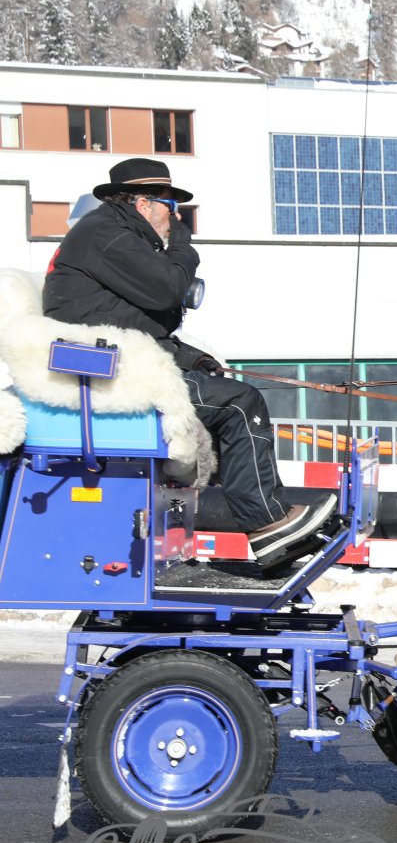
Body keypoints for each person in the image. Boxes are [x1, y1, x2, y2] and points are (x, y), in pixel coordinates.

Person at [42, 158, 336, 569]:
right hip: (110, 373)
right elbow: (169, 289)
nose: (176, 217)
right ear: (143, 203)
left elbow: (126, 321)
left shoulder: (110, 233)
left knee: (224, 394)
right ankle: (266, 523)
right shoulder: (106, 233)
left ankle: (254, 520)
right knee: (239, 403)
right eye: (171, 206)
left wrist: (189, 357)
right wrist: (182, 244)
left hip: (117, 361)